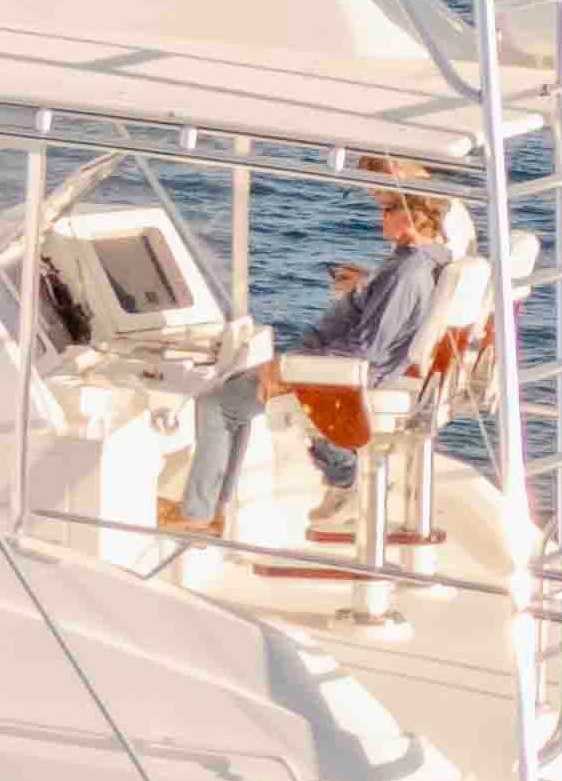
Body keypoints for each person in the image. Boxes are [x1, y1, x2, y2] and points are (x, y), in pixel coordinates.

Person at [176, 187, 461, 540]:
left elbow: (366, 349)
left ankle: (198, 516)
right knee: (235, 396)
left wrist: (284, 369)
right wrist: (366, 287)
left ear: (415, 216)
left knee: (219, 403)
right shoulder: (422, 260)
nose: (380, 216)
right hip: (344, 368)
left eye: (388, 209)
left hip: (341, 378)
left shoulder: (407, 274)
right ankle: (215, 508)